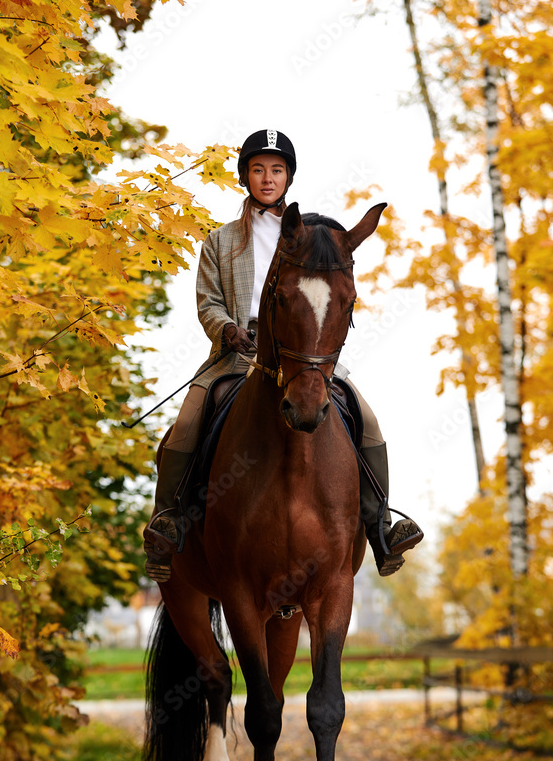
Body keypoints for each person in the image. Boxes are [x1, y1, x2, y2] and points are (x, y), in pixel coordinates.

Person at [143, 129, 423, 583]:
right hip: (237, 357)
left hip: (301, 358)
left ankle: (381, 528)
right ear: (245, 177)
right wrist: (227, 329)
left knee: (365, 418)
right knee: (189, 422)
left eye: (276, 170)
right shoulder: (220, 240)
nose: (267, 178)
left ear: (288, 177)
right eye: (258, 170)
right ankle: (167, 522)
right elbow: (207, 302)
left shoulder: (309, 237)